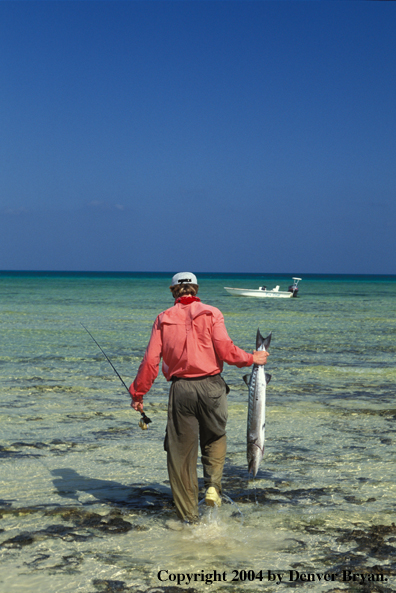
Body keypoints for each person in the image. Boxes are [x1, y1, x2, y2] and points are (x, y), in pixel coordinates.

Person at [129, 272, 269, 523]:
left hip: (181, 389)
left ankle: (189, 519)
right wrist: (252, 358)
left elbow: (151, 361)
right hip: (213, 386)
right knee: (215, 436)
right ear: (196, 289)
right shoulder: (212, 312)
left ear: (173, 292)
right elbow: (226, 350)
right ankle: (213, 485)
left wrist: (138, 393)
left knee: (181, 454)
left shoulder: (163, 319)